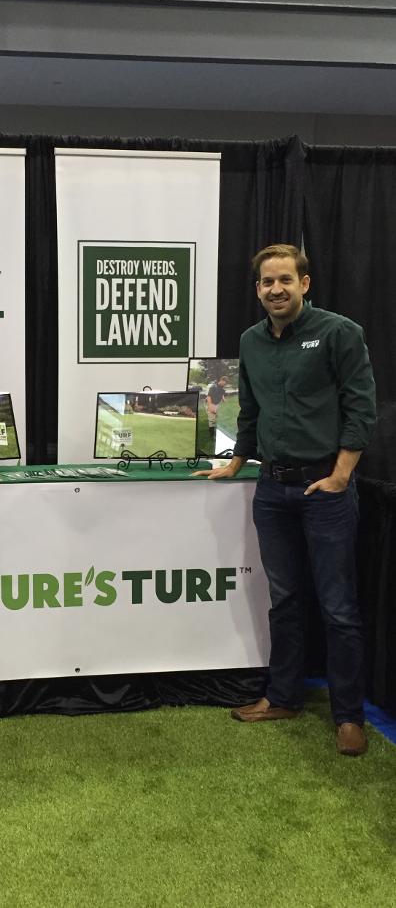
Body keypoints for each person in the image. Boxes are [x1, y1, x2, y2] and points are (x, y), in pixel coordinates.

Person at [195, 244, 376, 756]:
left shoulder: (339, 333)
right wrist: (236, 461)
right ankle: (282, 697)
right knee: (285, 600)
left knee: (338, 608)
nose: (276, 289)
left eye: (285, 280)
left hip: (325, 491)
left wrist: (340, 476)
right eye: (267, 282)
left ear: (304, 283)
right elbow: (249, 410)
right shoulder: (251, 341)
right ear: (257, 289)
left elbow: (361, 408)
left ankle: (348, 716)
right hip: (272, 491)